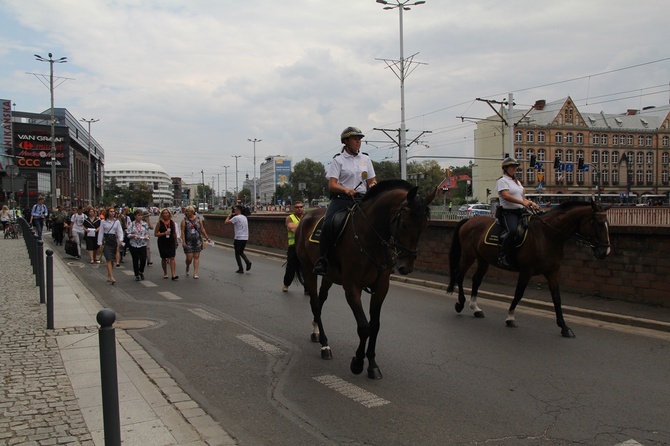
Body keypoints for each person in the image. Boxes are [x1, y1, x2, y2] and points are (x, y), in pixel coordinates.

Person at [313, 126, 377, 276]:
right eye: (355, 139)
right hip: (342, 200)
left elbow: (372, 180)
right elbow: (332, 185)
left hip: (362, 199)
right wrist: (345, 189)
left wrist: (374, 186)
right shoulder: (338, 160)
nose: (358, 142)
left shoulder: (366, 159)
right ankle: (323, 259)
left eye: (360, 139)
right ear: (346, 141)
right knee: (328, 224)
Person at [496, 157, 540, 267]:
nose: (515, 169)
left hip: (520, 211)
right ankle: (502, 256)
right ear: (505, 168)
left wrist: (530, 203)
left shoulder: (517, 182)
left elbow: (522, 198)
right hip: (508, 213)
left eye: (515, 167)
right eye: (512, 167)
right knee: (512, 231)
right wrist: (522, 202)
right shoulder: (502, 181)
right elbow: (506, 196)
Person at [180, 205, 211, 279]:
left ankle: (195, 273)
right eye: (186, 211)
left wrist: (207, 238)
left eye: (188, 211)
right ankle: (187, 265)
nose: (186, 212)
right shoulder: (184, 220)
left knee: (196, 256)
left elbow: (202, 229)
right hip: (188, 241)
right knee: (189, 258)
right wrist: (183, 241)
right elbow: (182, 232)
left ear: (192, 212)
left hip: (197, 240)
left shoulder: (198, 219)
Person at [283, 201, 305, 292]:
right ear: (293, 209)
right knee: (291, 267)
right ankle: (286, 284)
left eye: (301, 207)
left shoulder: (306, 217)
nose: (299, 209)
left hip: (305, 247)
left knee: (306, 268)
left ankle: (307, 288)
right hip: (294, 246)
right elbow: (293, 229)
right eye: (297, 207)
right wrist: (304, 222)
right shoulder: (290, 218)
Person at [97, 207, 124, 285]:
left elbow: (120, 231)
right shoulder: (103, 222)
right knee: (108, 258)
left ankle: (109, 274)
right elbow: (101, 232)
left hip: (113, 240)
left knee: (112, 259)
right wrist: (99, 243)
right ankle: (111, 276)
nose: (112, 213)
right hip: (107, 240)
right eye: (111, 211)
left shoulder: (117, 222)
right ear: (107, 212)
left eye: (113, 211)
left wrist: (120, 240)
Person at [225, 205, 252, 274]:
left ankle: (240, 268)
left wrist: (229, 215)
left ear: (238, 210)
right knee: (241, 252)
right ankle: (247, 262)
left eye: (235, 209)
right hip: (245, 237)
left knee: (237, 253)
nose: (234, 211)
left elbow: (226, 222)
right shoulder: (244, 217)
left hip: (238, 237)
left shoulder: (236, 218)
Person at [155, 208, 179, 280]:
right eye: (164, 213)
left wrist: (176, 242)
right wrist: (164, 233)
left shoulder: (172, 222)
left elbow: (174, 233)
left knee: (172, 257)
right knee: (164, 258)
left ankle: (173, 274)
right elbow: (155, 234)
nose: (165, 214)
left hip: (170, 241)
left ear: (169, 214)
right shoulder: (159, 223)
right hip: (162, 241)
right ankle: (165, 273)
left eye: (167, 213)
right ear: (162, 215)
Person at [127, 209, 150, 281]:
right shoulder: (131, 224)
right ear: (135, 216)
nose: (140, 217)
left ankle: (141, 271)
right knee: (135, 259)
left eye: (141, 215)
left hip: (142, 243)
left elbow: (146, 232)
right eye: (138, 215)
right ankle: (137, 274)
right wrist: (133, 235)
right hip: (134, 244)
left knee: (143, 259)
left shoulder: (144, 224)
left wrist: (146, 236)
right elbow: (128, 234)